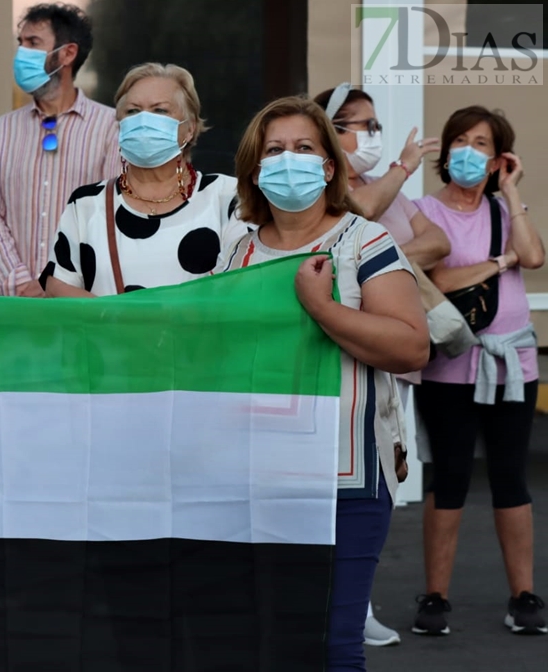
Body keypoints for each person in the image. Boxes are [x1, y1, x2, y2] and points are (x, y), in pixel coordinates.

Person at [217, 96, 429, 671]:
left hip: (348, 480)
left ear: (329, 166)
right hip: (255, 476)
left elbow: (412, 345)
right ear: (255, 170)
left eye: (305, 148)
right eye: (275, 150)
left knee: (334, 645)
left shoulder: (365, 243)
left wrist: (323, 308)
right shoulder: (237, 253)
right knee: (263, 641)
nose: (290, 161)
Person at [314, 82, 452, 648]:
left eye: (374, 123)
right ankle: (335, 603)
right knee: (331, 487)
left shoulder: (384, 189)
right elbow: (358, 212)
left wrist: (374, 258)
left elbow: (437, 241)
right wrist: (402, 166)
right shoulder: (331, 189)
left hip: (393, 361)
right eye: (356, 124)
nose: (369, 134)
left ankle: (357, 600)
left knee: (381, 481)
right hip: (340, 361)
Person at [411, 106, 546, 637]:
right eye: (460, 141)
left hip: (514, 364)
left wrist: (512, 193)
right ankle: (436, 597)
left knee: (512, 479)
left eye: (483, 144)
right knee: (449, 480)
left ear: (499, 158)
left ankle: (524, 595)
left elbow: (533, 254)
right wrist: (498, 261)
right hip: (451, 367)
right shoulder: (425, 211)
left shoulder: (504, 208)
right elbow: (436, 279)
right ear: (445, 152)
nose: (469, 151)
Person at [41, 63, 245, 297]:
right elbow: (58, 286)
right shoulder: (86, 204)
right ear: (120, 125)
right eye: (132, 111)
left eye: (160, 110)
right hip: (110, 334)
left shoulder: (227, 197)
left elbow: (240, 286)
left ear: (189, 129)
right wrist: (120, 324)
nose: (144, 120)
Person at [0, 2, 120, 296]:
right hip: (14, 310)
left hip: (80, 304)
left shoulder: (110, 127)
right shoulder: (2, 132)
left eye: (33, 43)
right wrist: (22, 285)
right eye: (21, 43)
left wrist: (64, 288)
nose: (21, 53)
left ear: (67, 53)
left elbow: (111, 215)